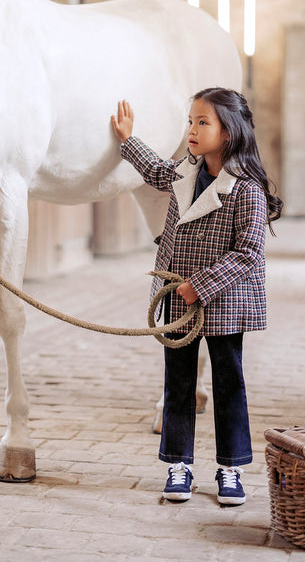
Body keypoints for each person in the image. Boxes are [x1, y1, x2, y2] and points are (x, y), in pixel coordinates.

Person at [111, 88, 282, 505]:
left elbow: (249, 253)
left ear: (228, 133)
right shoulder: (186, 171)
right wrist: (127, 139)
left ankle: (231, 469)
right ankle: (178, 464)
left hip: (225, 302)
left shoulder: (247, 189)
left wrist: (197, 286)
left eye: (202, 122)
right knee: (178, 383)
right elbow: (154, 171)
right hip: (179, 300)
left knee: (228, 383)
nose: (191, 129)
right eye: (191, 121)